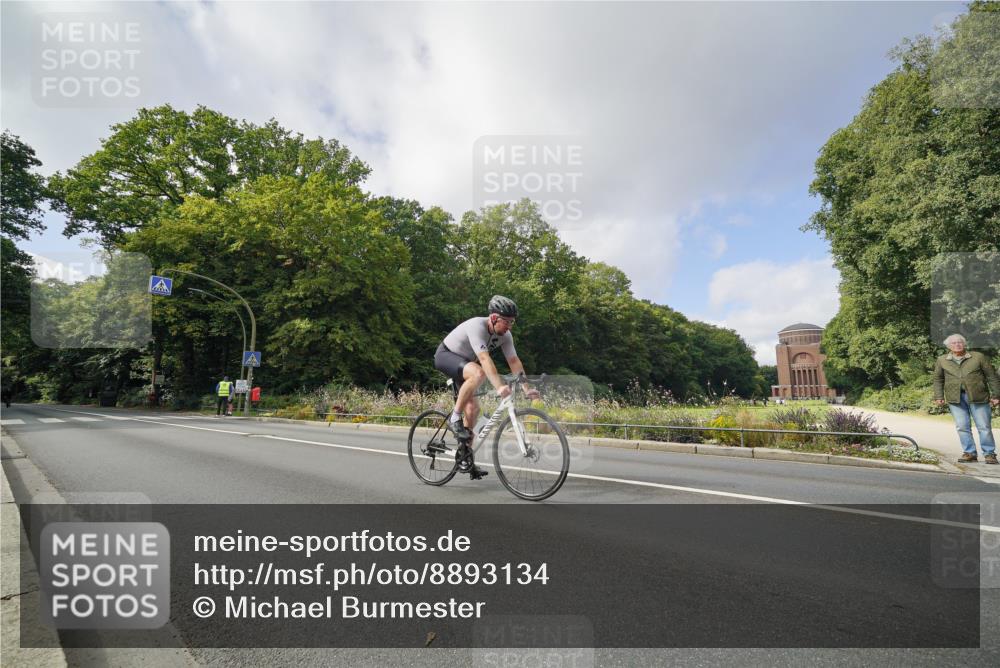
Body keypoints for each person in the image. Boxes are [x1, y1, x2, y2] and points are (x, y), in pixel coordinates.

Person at [434, 296, 539, 479]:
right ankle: (454, 417)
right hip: (446, 356)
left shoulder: (506, 336)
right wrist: (499, 387)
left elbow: (514, 361)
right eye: (506, 321)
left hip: (466, 365)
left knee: (474, 409)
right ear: (493, 318)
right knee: (479, 373)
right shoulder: (477, 326)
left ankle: (465, 457)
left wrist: (526, 388)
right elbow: (484, 359)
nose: (509, 326)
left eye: (512, 322)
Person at [934, 334, 1000, 464]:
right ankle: (969, 453)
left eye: (960, 342)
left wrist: (996, 395)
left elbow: (991, 376)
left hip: (979, 396)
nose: (957, 345)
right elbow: (938, 379)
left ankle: (989, 454)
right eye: (953, 343)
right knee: (962, 426)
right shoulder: (942, 360)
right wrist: (939, 396)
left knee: (984, 426)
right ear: (948, 346)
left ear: (964, 344)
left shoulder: (978, 357)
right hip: (955, 398)